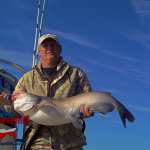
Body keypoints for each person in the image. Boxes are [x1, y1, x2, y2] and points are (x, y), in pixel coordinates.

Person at [0, 34, 93, 150]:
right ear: (39, 51)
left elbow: (88, 101)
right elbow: (17, 113)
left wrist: (87, 111)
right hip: (37, 144)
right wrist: (7, 103)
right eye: (45, 45)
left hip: (70, 144)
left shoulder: (76, 74)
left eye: (53, 45)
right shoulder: (26, 79)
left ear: (60, 49)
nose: (49, 48)